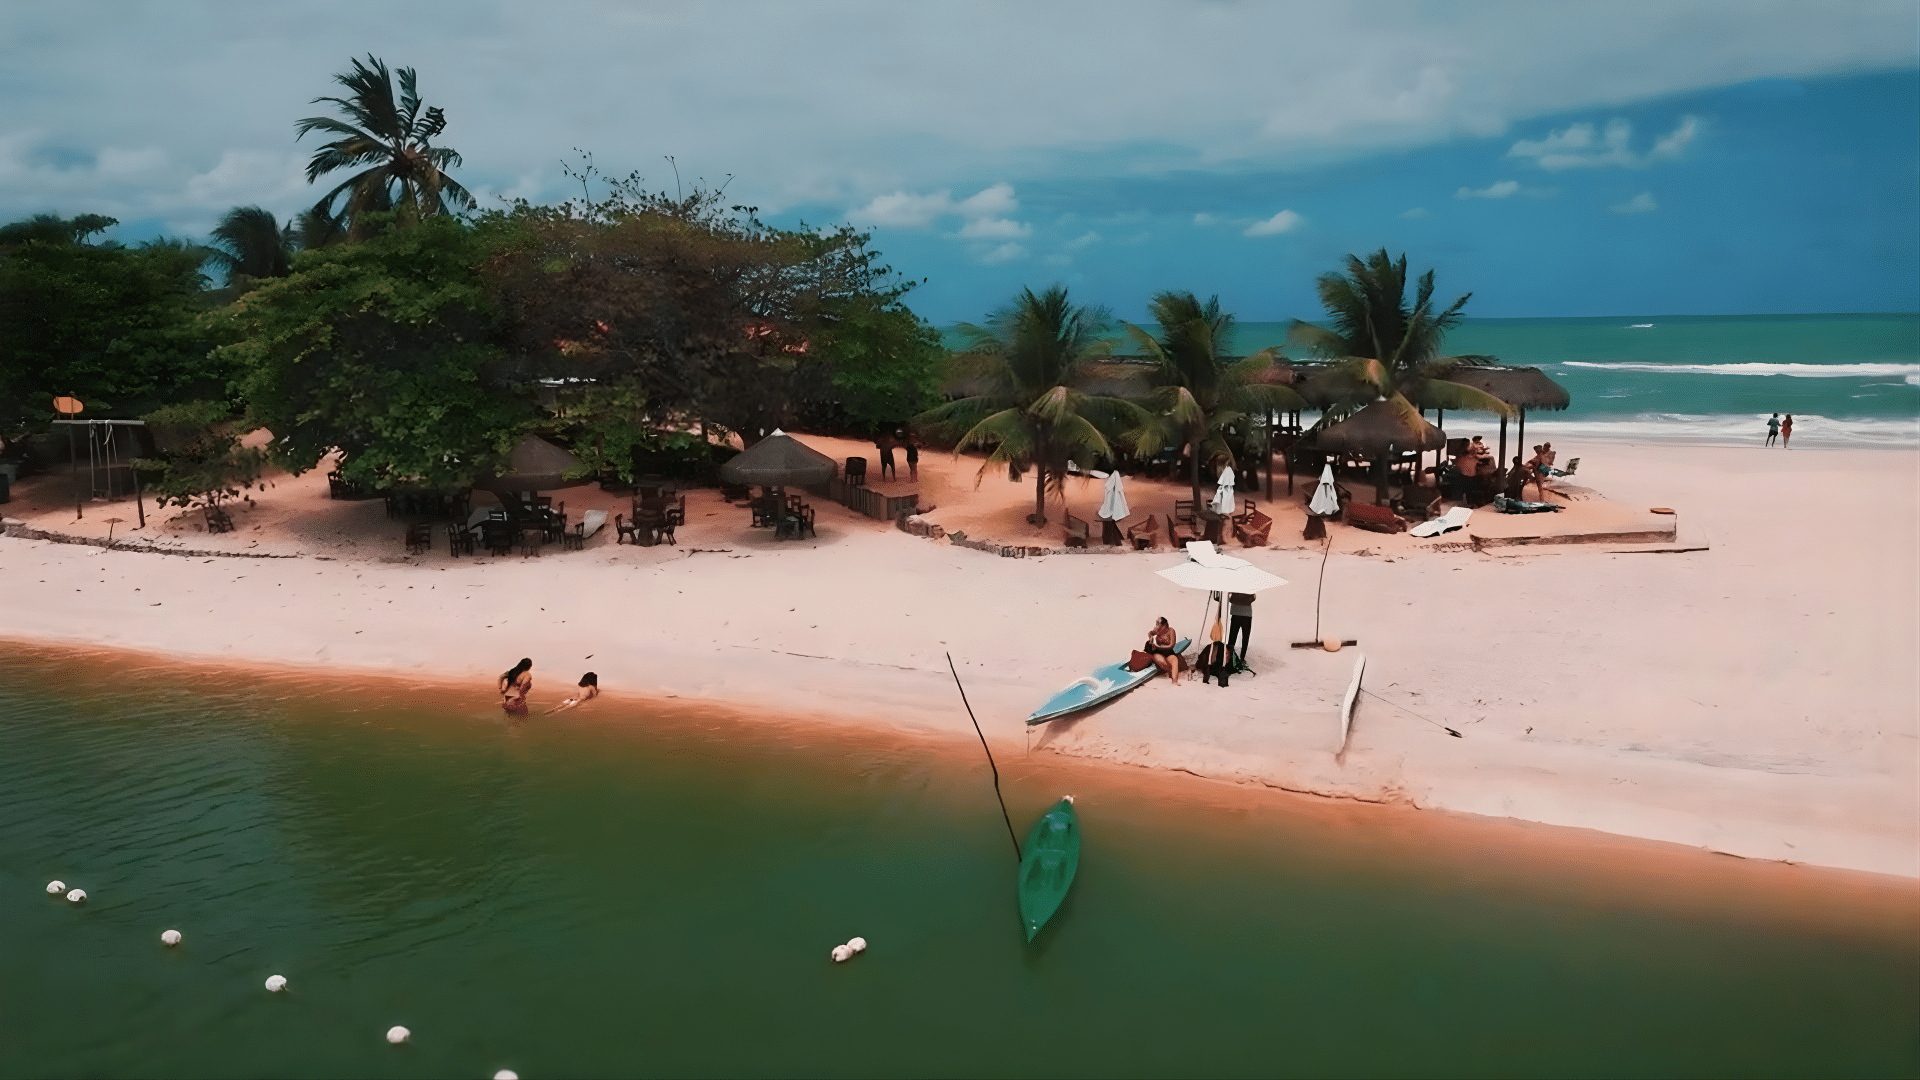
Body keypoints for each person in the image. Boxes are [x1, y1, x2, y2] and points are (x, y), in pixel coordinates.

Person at [1144, 617, 1183, 685]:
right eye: (1156, 623)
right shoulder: (1157, 630)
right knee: (1160, 661)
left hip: (1168, 652)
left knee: (1174, 660)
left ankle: (1174, 681)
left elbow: (1171, 645)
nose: (1156, 625)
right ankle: (1170, 671)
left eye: (1158, 623)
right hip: (1158, 652)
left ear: (1164, 625)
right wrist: (1150, 638)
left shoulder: (1171, 630)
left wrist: (1158, 646)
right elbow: (1150, 633)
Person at [1195, 621, 1232, 688]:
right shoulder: (1210, 647)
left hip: (1217, 667)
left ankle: (1220, 682)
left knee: (1221, 671)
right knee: (1219, 670)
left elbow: (1228, 661)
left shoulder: (1223, 648)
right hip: (1212, 667)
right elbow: (1201, 661)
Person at [1227, 592, 1255, 667]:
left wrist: (1236, 598)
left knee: (1232, 636)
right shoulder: (1249, 587)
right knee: (1245, 637)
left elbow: (1231, 599)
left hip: (1236, 613)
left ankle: (1229, 657)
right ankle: (1242, 658)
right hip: (1246, 614)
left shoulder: (1235, 587)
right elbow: (1252, 598)